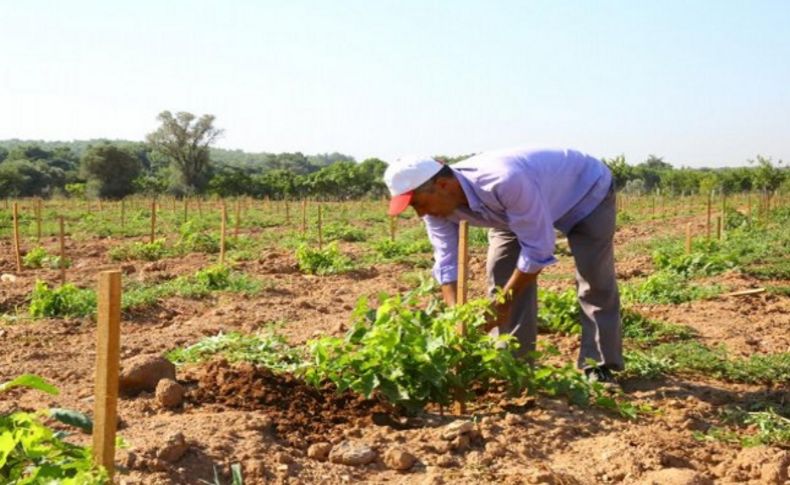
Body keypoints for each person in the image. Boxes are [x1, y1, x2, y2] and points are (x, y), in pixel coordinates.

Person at [383, 147, 623, 383]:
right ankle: (513, 366)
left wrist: (503, 305)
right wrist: (456, 314)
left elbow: (538, 249)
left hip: (584, 192)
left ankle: (599, 364)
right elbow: (446, 261)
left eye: (418, 204)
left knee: (594, 276)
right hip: (513, 210)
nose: (419, 214)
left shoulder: (504, 181)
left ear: (443, 186)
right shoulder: (436, 211)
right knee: (502, 274)